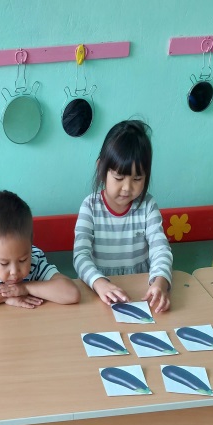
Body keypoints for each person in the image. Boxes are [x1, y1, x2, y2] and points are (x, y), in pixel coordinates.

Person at [73, 119, 173, 312]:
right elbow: (80, 256)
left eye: (137, 178)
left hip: (141, 294)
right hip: (99, 294)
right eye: (119, 178)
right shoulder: (90, 206)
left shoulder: (147, 206)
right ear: (101, 169)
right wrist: (100, 283)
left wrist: (160, 282)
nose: (127, 188)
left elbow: (161, 249)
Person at [0, 190, 80, 309]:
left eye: (22, 260)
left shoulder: (35, 260)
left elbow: (71, 293)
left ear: (30, 245)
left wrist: (25, 288)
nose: (14, 272)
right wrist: (7, 296)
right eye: (4, 263)